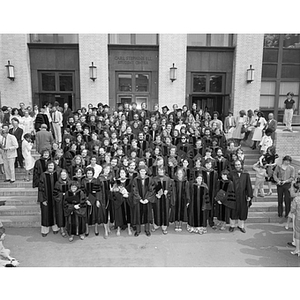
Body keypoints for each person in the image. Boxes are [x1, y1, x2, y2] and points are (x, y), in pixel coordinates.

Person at [229, 160, 253, 233]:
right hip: (233, 195)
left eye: (238, 164)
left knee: (242, 211)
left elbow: (248, 185)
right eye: (236, 165)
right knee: (233, 211)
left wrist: (249, 195)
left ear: (241, 165)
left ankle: (241, 226)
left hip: (243, 196)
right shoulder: (231, 173)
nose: (237, 166)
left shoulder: (246, 174)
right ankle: (232, 226)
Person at [131, 166, 155, 237]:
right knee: (138, 215)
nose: (142, 172)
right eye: (141, 171)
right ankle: (138, 230)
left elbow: (152, 190)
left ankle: (147, 230)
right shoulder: (135, 179)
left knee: (147, 215)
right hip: (139, 201)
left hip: (147, 200)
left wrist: (147, 199)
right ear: (139, 172)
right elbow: (134, 190)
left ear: (146, 172)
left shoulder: (149, 179)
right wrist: (140, 199)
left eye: (144, 171)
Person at [38, 161, 59, 237]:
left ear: (54, 166)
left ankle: (55, 228)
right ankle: (45, 230)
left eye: (52, 165)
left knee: (55, 213)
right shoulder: (43, 175)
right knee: (45, 214)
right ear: (47, 166)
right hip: (46, 198)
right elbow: (40, 188)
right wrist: (43, 199)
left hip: (55, 198)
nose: (50, 167)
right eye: (49, 165)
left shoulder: (57, 174)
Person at [152, 166, 174, 235]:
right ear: (157, 171)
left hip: (165, 198)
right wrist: (155, 194)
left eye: (161, 170)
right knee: (157, 211)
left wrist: (167, 191)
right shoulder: (154, 179)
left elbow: (171, 187)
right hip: (158, 198)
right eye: (159, 170)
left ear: (164, 171)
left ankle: (164, 227)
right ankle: (156, 225)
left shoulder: (168, 179)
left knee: (165, 212)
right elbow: (151, 188)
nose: (160, 172)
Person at [111, 168, 133, 236]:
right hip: (119, 201)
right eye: (120, 173)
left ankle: (129, 228)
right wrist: (120, 194)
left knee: (128, 213)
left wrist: (128, 195)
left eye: (123, 173)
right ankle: (118, 228)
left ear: (125, 173)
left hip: (127, 200)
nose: (122, 174)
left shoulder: (129, 181)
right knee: (119, 214)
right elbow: (114, 193)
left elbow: (133, 191)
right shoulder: (117, 182)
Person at [171, 167, 190, 232]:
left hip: (183, 199)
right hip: (175, 199)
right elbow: (172, 191)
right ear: (176, 174)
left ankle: (180, 225)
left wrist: (188, 200)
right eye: (178, 173)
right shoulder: (174, 181)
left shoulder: (186, 182)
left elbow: (187, 191)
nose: (179, 174)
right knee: (176, 212)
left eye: (181, 173)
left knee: (182, 212)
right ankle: (176, 225)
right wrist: (172, 199)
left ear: (183, 174)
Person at [53, 169, 70, 237]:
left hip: (68, 201)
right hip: (60, 202)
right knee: (61, 215)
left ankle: (68, 228)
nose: (63, 176)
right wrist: (62, 194)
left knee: (68, 214)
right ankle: (62, 229)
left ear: (67, 175)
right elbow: (55, 193)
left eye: (64, 174)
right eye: (62, 175)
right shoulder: (57, 183)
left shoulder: (70, 182)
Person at [289, 180, 300, 256]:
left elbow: (292, 209)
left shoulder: (297, 199)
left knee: (297, 233)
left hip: (298, 217)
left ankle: (297, 249)